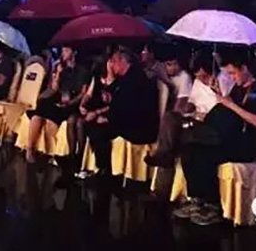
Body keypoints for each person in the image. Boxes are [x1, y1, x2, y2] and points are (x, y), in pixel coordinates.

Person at [174, 53, 256, 226]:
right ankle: (197, 200)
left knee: (206, 156)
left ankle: (213, 206)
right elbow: (229, 112)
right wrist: (220, 95)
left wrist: (230, 104)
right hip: (230, 137)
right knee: (190, 149)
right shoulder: (237, 88)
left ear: (244, 69)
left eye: (233, 73)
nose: (231, 77)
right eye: (229, 74)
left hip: (248, 143)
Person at [83, 47, 159, 175]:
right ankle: (103, 166)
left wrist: (107, 118)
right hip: (128, 119)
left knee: (97, 130)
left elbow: (130, 108)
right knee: (93, 125)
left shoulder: (135, 79)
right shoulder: (126, 78)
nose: (111, 65)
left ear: (123, 61)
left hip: (139, 126)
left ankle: (104, 169)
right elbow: (118, 103)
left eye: (114, 61)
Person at [25, 46, 89, 163]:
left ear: (74, 52)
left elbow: (83, 93)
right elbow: (54, 88)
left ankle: (60, 154)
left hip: (72, 103)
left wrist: (70, 102)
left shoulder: (82, 70)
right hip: (59, 99)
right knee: (40, 110)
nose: (63, 53)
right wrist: (58, 73)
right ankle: (30, 149)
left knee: (49, 110)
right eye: (63, 50)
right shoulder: (61, 68)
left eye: (66, 50)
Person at [146, 52, 209, 168]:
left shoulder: (185, 77)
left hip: (203, 119)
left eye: (203, 76)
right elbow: (191, 102)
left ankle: (164, 155)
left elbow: (181, 104)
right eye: (169, 64)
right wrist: (189, 106)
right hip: (190, 115)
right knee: (169, 118)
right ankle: (163, 154)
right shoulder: (197, 82)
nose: (201, 79)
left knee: (172, 121)